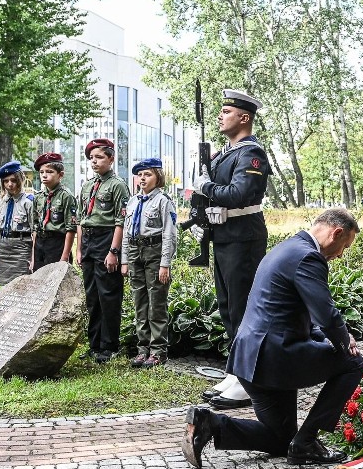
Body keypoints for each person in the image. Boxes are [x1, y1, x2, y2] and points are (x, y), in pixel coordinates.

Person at [182, 208, 363, 468]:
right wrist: (344, 342)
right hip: (274, 357)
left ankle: (209, 423)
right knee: (353, 363)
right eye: (343, 246)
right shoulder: (309, 257)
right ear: (336, 233)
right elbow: (325, 313)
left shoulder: (287, 248)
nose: (339, 255)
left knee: (282, 439)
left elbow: (297, 312)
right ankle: (308, 441)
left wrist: (325, 338)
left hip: (250, 360)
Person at [191, 89, 270, 410]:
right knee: (228, 308)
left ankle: (249, 380)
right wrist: (200, 217)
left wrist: (205, 186)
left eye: (226, 111)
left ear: (244, 117)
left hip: (243, 239)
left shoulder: (252, 155)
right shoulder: (226, 153)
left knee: (243, 309)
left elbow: (238, 194)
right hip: (225, 236)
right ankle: (236, 372)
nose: (220, 116)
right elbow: (213, 195)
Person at [76, 138, 130, 364]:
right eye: (91, 158)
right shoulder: (88, 185)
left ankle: (109, 346)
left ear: (111, 158)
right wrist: (79, 250)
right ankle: (94, 343)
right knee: (92, 297)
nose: (94, 162)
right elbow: (80, 218)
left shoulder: (117, 185)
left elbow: (121, 220)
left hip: (106, 239)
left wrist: (114, 251)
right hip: (88, 240)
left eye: (99, 157)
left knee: (108, 294)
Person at [120, 158, 178, 369]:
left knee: (156, 303)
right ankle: (142, 349)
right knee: (140, 301)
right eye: (140, 175)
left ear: (158, 177)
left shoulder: (163, 201)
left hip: (154, 251)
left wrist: (165, 264)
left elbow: (170, 233)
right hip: (135, 250)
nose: (143, 178)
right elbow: (127, 233)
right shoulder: (133, 201)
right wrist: (124, 260)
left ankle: (158, 351)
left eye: (148, 174)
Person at [31, 153, 76, 271]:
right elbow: (35, 227)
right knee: (39, 281)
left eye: (49, 172)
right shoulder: (38, 197)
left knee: (55, 281)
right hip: (40, 243)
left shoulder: (66, 196)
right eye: (41, 172)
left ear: (60, 175)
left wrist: (65, 256)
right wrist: (33, 258)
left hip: (57, 243)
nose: (44, 175)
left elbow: (70, 229)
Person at [0, 161, 34, 286]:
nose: (9, 184)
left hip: (21, 247)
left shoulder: (28, 202)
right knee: (2, 287)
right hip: (4, 246)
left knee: (22, 285)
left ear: (20, 180)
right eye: (6, 181)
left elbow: (34, 230)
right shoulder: (1, 202)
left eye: (13, 180)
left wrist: (33, 256)